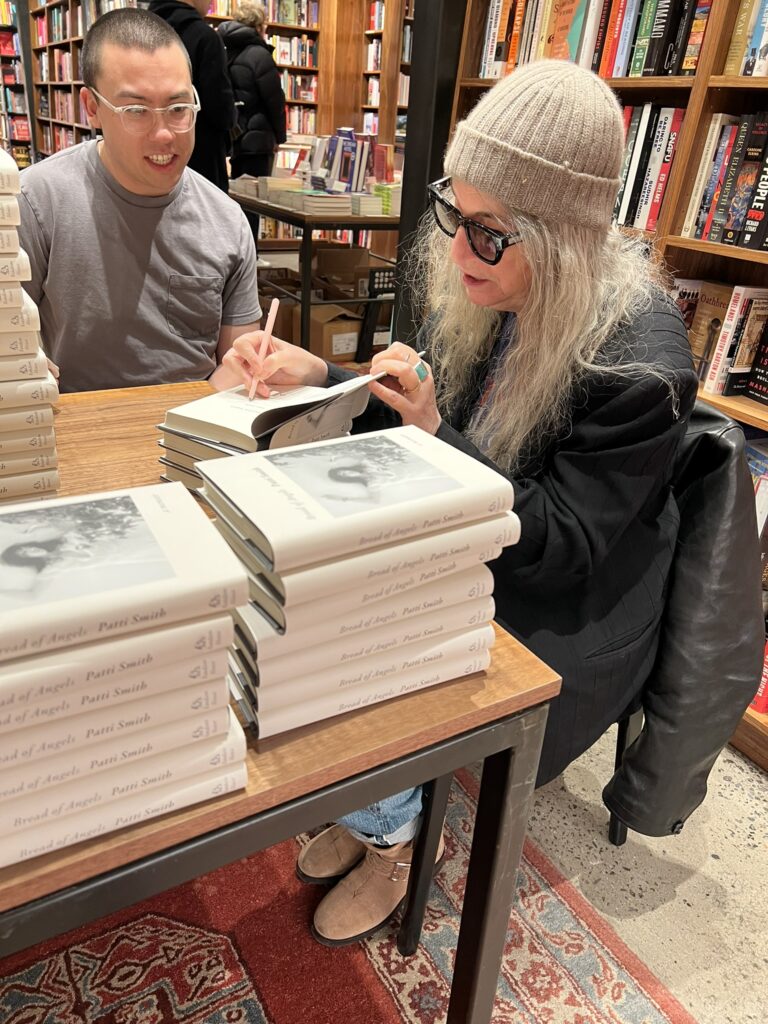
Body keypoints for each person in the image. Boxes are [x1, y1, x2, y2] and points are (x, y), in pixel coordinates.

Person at [220, 61, 699, 945]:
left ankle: (399, 831)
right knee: (319, 575)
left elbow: (562, 547)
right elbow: (425, 398)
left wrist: (440, 438)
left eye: (486, 233)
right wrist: (325, 378)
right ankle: (379, 808)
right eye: (456, 215)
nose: (456, 252)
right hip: (487, 528)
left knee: (378, 617)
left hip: (571, 597)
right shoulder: (500, 278)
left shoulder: (641, 362)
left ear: (561, 240)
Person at [18, 8, 261, 393]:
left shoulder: (227, 220)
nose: (164, 134)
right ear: (92, 108)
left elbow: (240, 370)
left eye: (179, 108)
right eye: (135, 111)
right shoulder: (35, 201)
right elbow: (12, 349)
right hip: (76, 431)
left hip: (195, 430)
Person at [219, 0, 287, 251]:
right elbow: (274, 101)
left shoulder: (226, 52)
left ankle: (237, 255)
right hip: (258, 143)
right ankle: (250, 257)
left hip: (237, 139)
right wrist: (280, 137)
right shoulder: (259, 55)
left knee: (238, 202)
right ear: (259, 27)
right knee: (255, 206)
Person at [148, 0, 236, 191]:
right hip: (201, 162)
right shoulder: (204, 37)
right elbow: (220, 110)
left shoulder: (136, 37)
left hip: (146, 159)